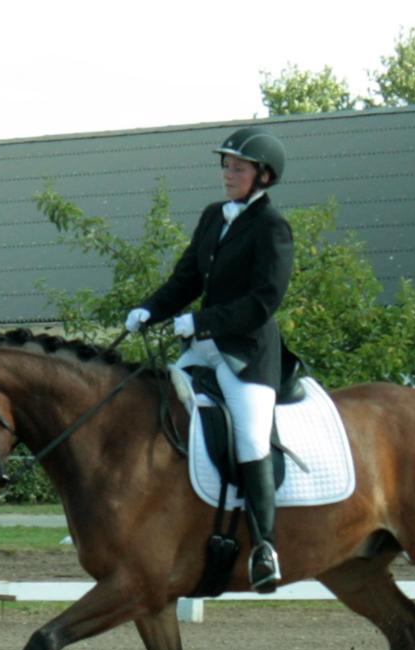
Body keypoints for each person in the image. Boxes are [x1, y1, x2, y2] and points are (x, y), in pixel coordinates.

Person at [124, 126, 294, 593]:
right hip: (201, 351)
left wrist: (203, 323)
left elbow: (264, 301)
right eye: (225, 165)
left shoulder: (272, 227)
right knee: (152, 413)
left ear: (263, 175)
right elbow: (186, 280)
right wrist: (151, 309)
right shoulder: (212, 217)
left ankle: (265, 547)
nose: (227, 173)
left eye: (237, 167)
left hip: (247, 356)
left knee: (251, 438)